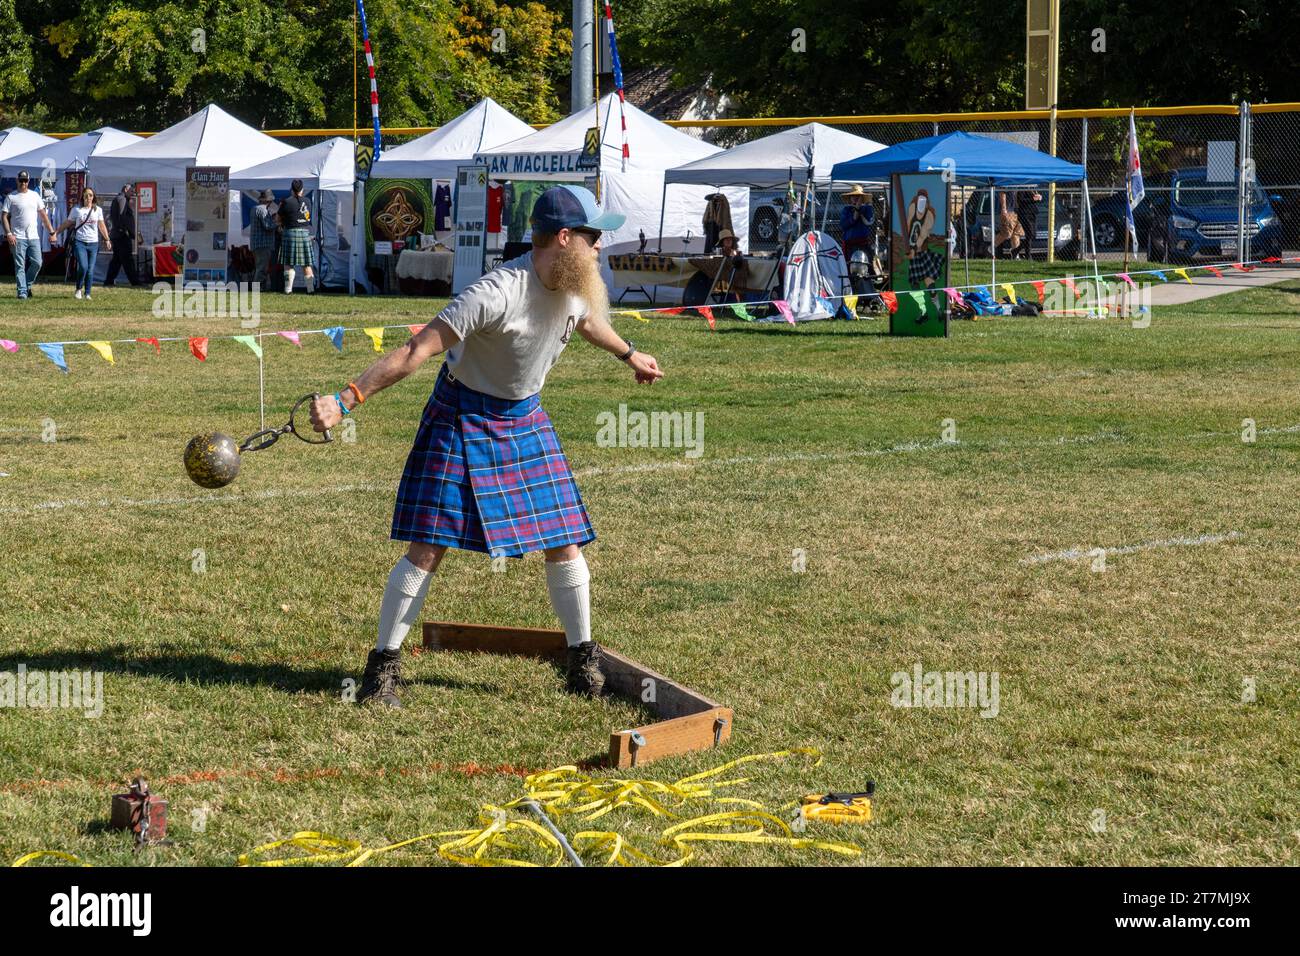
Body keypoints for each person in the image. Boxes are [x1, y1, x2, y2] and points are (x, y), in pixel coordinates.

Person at [308, 185, 664, 708]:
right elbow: (415, 349)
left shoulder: (573, 284)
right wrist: (347, 399)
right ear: (563, 238)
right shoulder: (495, 292)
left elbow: (587, 322)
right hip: (462, 415)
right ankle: (381, 672)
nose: (598, 250)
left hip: (525, 418)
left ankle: (580, 661)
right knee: (429, 546)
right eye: (592, 238)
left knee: (565, 539)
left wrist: (629, 353)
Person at [2, 170, 57, 300]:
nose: (23, 183)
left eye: (25, 180)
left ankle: (26, 285)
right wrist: (9, 233)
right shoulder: (11, 197)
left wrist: (52, 232)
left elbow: (43, 215)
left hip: (33, 237)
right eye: (21, 180)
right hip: (17, 237)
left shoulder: (35, 196)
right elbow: (4, 216)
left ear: (28, 181)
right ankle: (22, 292)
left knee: (37, 263)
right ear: (17, 180)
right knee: (19, 265)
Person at [54, 186, 112, 300]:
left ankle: (88, 293)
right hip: (80, 242)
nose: (88, 197)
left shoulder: (98, 210)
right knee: (83, 267)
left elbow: (101, 225)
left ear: (93, 197)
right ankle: (78, 289)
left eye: (90, 195)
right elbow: (67, 223)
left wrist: (107, 239)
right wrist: (56, 233)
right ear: (82, 197)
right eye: (86, 195)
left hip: (93, 244)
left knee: (90, 270)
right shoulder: (76, 209)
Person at [277, 178, 316, 293]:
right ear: (302, 190)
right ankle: (311, 290)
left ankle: (288, 290)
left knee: (288, 263)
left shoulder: (286, 202)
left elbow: (278, 218)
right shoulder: (308, 201)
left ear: (291, 190)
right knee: (306, 264)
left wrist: (281, 222)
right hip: (304, 232)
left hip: (290, 232)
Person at [104, 184, 141, 287]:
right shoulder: (122, 199)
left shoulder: (119, 198)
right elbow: (122, 217)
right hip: (122, 235)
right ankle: (135, 282)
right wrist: (129, 232)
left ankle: (109, 281)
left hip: (117, 234)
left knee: (117, 260)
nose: (133, 193)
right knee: (128, 260)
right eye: (131, 191)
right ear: (125, 189)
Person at [249, 190, 277, 288]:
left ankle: (260, 287)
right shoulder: (263, 210)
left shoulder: (254, 208)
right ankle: (256, 288)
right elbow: (268, 226)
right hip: (263, 244)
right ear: (269, 201)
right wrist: (278, 223)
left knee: (259, 267)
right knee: (262, 268)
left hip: (256, 243)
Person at [839, 185, 875, 258]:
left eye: (858, 196)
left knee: (868, 266)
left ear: (862, 198)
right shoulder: (847, 210)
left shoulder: (867, 209)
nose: (855, 198)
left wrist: (860, 208)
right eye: (853, 196)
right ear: (850, 198)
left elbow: (869, 222)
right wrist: (856, 210)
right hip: (849, 245)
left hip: (863, 244)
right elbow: (844, 225)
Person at [1014, 189, 1042, 259]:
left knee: (1032, 235)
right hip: (1024, 214)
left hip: (1032, 213)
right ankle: (1028, 255)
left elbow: (1036, 198)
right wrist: (1033, 199)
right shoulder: (1022, 187)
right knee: (1030, 233)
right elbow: (1021, 200)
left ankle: (1016, 250)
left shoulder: (1033, 188)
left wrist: (1039, 198)